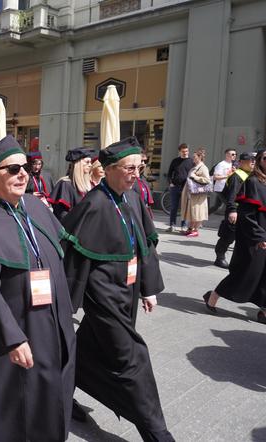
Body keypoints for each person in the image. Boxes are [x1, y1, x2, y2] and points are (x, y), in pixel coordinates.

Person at [0, 135, 76, 441]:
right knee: (6, 399)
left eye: (24, 168)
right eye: (12, 169)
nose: (22, 174)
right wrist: (12, 339)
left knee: (47, 390)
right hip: (13, 329)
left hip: (48, 320)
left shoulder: (34, 206)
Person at [62, 137, 173, 442]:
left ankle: (61, 393)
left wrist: (149, 288)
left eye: (140, 167)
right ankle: (156, 431)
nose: (137, 173)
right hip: (102, 291)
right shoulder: (94, 203)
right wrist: (62, 305)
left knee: (86, 347)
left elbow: (145, 244)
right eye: (129, 168)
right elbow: (72, 254)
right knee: (132, 357)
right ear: (109, 169)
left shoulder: (133, 196)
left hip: (130, 289)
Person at [203, 149, 266, 324]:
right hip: (255, 237)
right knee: (246, 272)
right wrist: (260, 237)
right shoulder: (252, 182)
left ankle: (264, 310)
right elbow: (246, 215)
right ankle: (213, 296)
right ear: (260, 161)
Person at [213, 152, 255, 268]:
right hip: (236, 211)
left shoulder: (250, 174)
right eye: (249, 160)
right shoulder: (237, 176)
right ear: (241, 162)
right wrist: (232, 210)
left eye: (254, 160)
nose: (253, 162)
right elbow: (232, 195)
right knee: (228, 235)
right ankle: (220, 256)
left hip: (247, 211)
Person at [50, 147, 93, 221]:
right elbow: (62, 215)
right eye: (87, 162)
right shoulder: (65, 184)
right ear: (78, 164)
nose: (90, 165)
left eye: (90, 162)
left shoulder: (88, 185)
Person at [180, 148, 211, 237]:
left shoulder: (203, 168)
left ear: (200, 157)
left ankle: (196, 230)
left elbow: (207, 180)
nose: (193, 158)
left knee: (197, 212)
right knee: (192, 212)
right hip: (192, 194)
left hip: (198, 195)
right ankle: (190, 228)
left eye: (195, 157)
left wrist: (195, 177)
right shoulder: (195, 167)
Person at [166, 143, 194, 232]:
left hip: (186, 188)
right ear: (179, 152)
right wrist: (170, 183)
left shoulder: (191, 161)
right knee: (174, 207)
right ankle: (172, 225)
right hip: (175, 187)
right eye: (183, 151)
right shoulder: (175, 161)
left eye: (186, 151)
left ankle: (183, 226)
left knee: (184, 208)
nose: (185, 153)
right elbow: (169, 174)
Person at [209, 148, 237, 214]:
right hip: (221, 189)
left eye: (235, 154)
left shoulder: (232, 164)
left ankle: (202, 217)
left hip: (227, 188)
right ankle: (229, 222)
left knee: (216, 206)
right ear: (227, 155)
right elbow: (215, 177)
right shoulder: (221, 165)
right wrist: (228, 176)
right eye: (233, 154)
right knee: (229, 205)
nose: (235, 155)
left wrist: (234, 172)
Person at [133, 150, 155, 218]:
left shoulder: (143, 178)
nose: (143, 163)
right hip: (135, 212)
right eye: (141, 160)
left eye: (145, 161)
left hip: (145, 211)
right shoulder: (131, 178)